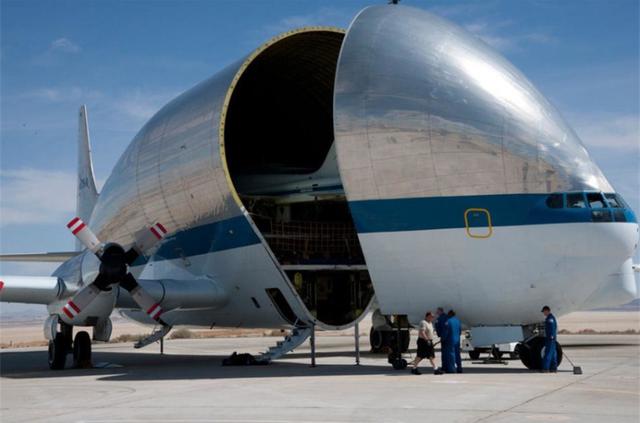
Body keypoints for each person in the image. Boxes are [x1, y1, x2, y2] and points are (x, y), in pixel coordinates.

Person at [541, 305, 558, 373]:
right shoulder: (550, 318)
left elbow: (552, 328)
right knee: (553, 353)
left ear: (547, 311)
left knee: (548, 353)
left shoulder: (550, 319)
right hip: (552, 338)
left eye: (544, 312)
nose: (543, 313)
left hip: (550, 338)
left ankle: (546, 368)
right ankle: (554, 368)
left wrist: (551, 336)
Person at [435, 307, 449, 371]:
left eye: (437, 312)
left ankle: (444, 367)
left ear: (440, 311)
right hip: (449, 337)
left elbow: (437, 327)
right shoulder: (447, 317)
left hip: (443, 337)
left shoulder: (439, 318)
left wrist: (439, 335)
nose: (437, 313)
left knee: (444, 353)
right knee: (449, 352)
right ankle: (449, 366)